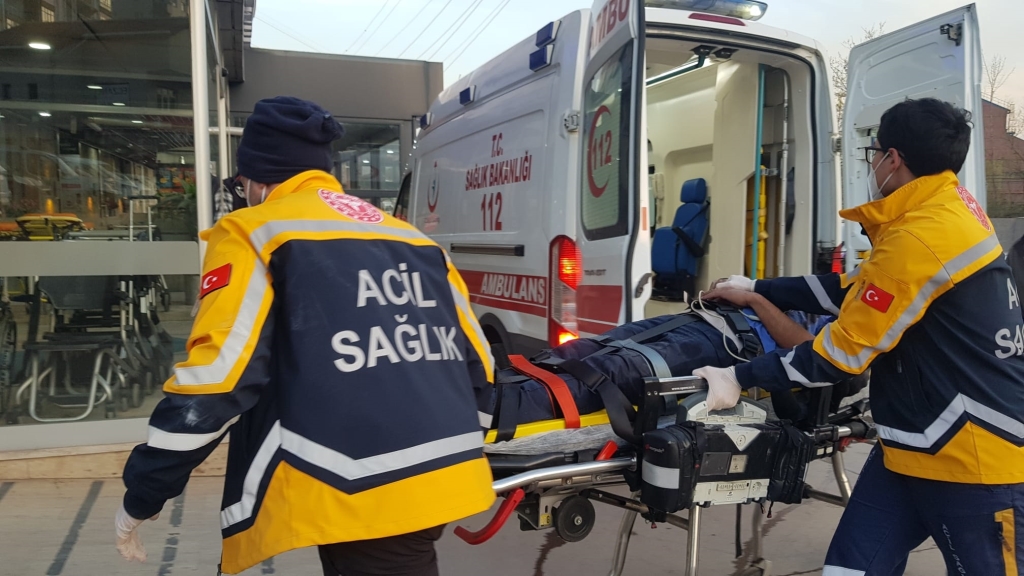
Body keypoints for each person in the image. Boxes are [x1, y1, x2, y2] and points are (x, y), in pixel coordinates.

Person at [114, 96, 497, 576]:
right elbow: (479, 364)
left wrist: (145, 491)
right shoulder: (413, 239)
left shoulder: (254, 231)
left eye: (240, 184)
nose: (242, 193)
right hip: (444, 472)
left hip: (357, 484)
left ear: (256, 179)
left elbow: (217, 381)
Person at [696, 97, 1024, 575]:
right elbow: (856, 289)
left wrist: (738, 377)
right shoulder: (946, 209)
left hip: (972, 458)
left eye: (874, 153)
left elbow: (840, 355)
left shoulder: (921, 237)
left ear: (892, 159)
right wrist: (758, 288)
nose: (872, 164)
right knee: (850, 569)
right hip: (911, 446)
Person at [486, 293, 846, 428]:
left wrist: (755, 300)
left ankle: (502, 409)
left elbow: (812, 352)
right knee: (584, 349)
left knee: (617, 370)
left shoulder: (862, 331)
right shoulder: (848, 290)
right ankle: (496, 387)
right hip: (709, 319)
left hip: (735, 348)